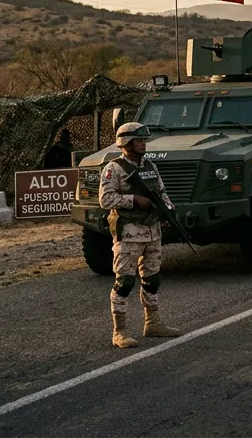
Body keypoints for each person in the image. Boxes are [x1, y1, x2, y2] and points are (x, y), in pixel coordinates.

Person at [99, 122, 181, 349]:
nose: (144, 143)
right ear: (126, 143)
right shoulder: (113, 169)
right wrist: (134, 200)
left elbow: (162, 192)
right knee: (124, 282)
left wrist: (168, 210)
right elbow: (105, 200)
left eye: (144, 140)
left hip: (152, 232)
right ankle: (120, 332)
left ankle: (153, 323)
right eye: (139, 140)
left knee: (152, 279)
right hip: (129, 234)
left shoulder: (150, 167)